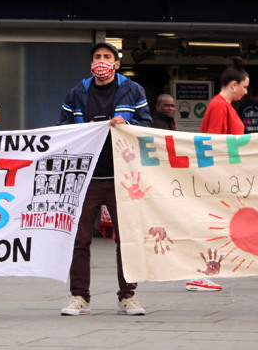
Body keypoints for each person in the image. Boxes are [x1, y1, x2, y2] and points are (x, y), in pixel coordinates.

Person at [58, 42, 152, 316]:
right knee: (80, 240)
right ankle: (79, 297)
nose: (101, 60)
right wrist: (81, 131)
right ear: (91, 63)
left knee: (127, 240)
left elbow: (148, 126)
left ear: (117, 63)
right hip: (87, 177)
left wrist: (129, 125)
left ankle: (127, 296)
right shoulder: (76, 93)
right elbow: (61, 129)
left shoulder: (133, 90)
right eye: (97, 57)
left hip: (123, 178)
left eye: (107, 57)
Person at [187, 57, 258, 291]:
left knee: (238, 221)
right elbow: (214, 145)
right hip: (224, 176)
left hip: (228, 175)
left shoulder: (221, 106)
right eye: (244, 87)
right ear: (233, 85)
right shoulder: (220, 107)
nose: (245, 92)